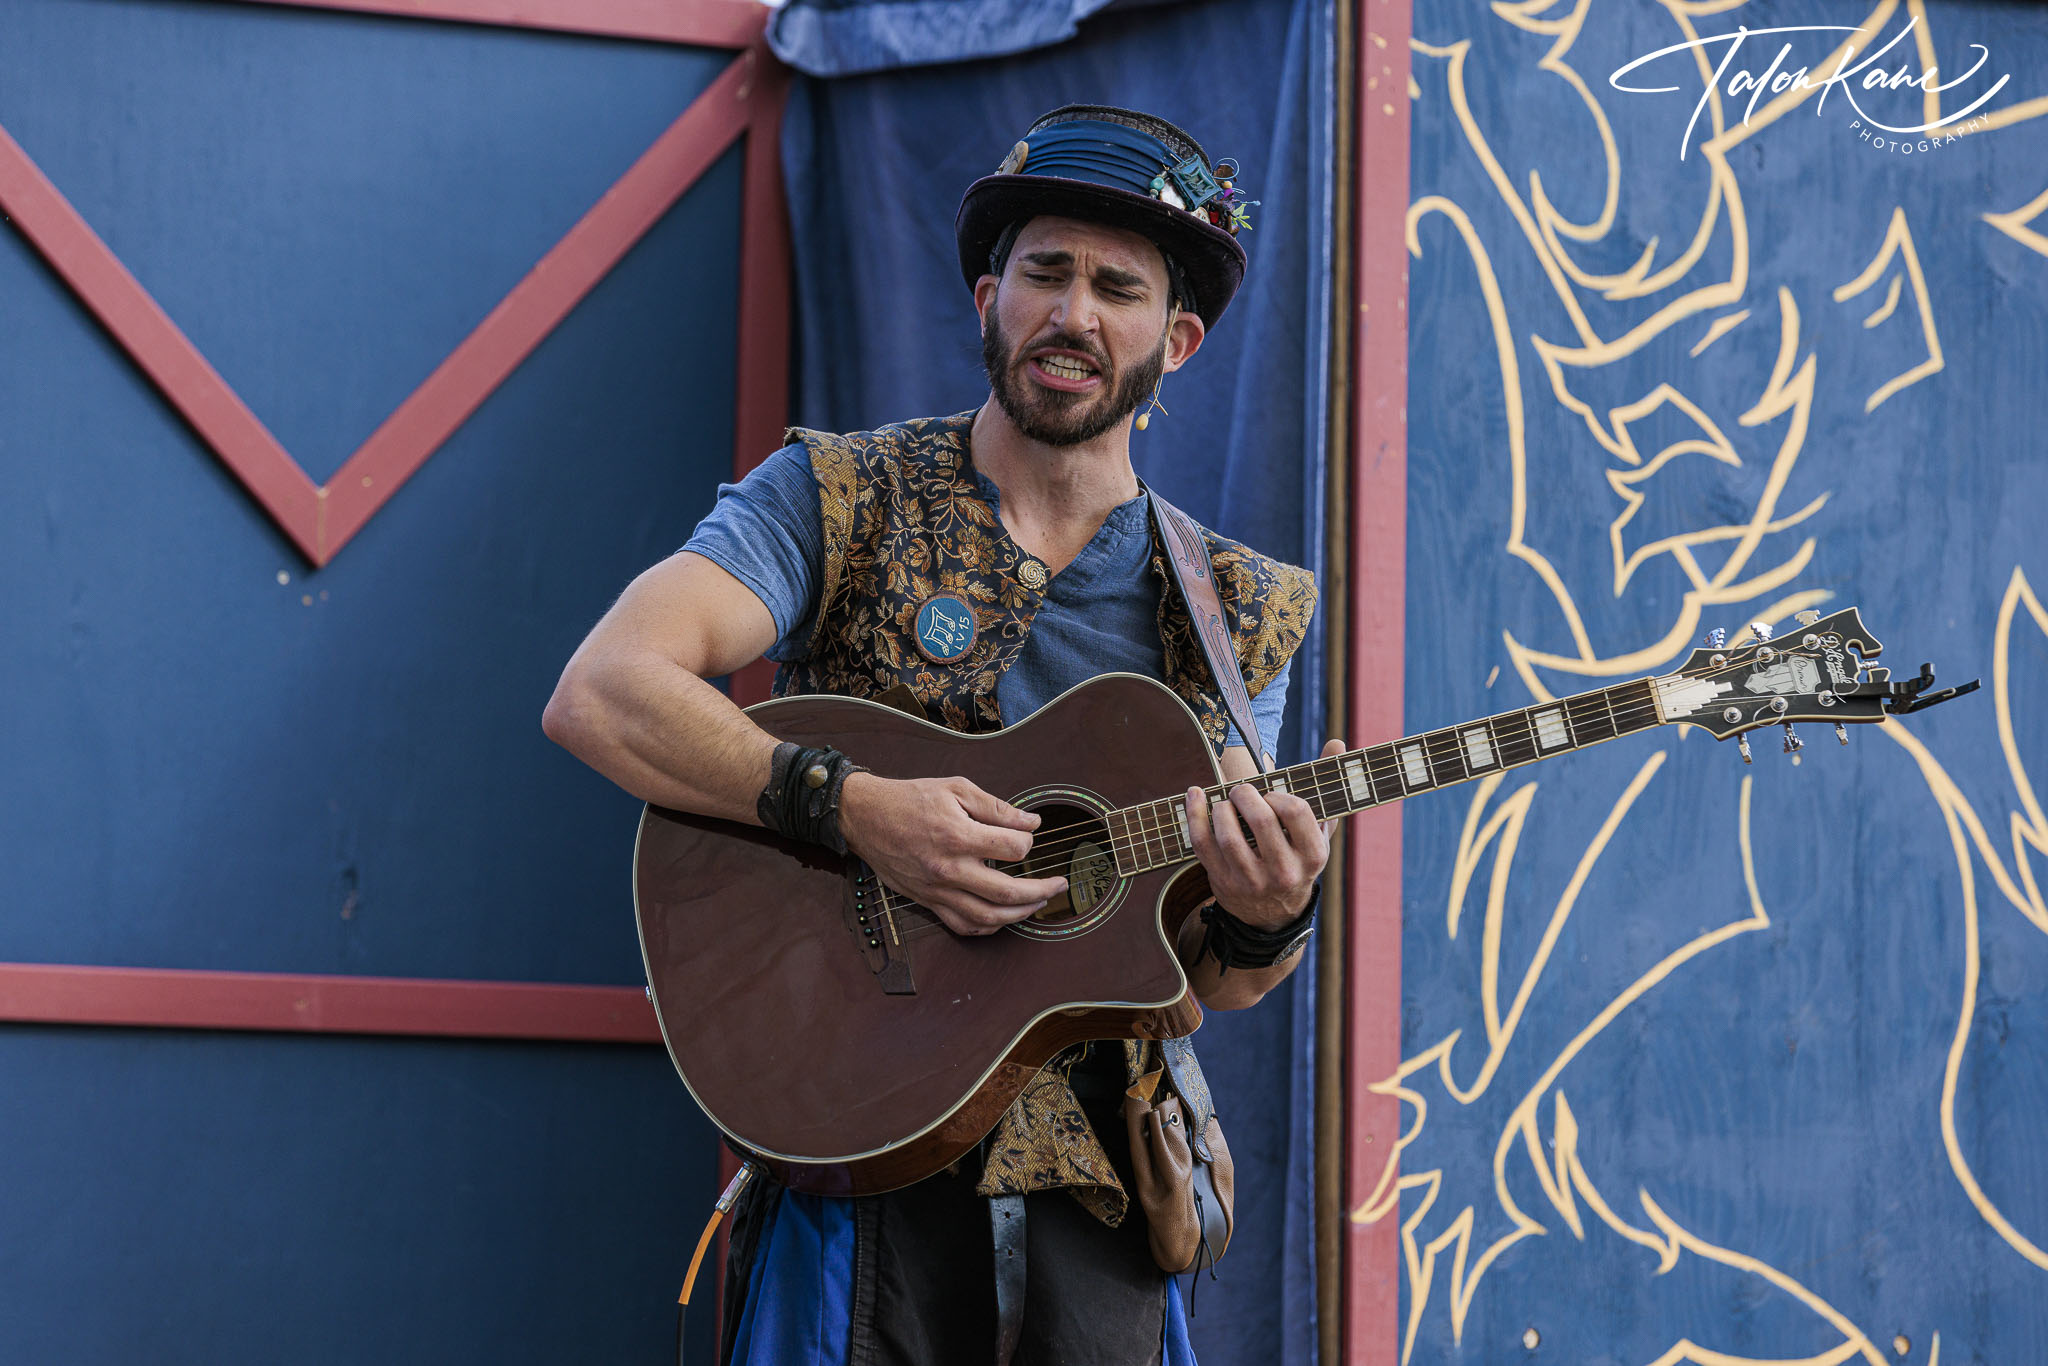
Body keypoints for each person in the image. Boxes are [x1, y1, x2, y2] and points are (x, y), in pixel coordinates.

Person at [544, 103, 1335, 1366]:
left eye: (1117, 289)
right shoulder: (836, 498)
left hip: (1105, 1194)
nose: (1072, 313)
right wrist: (855, 807)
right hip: (856, 1159)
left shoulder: (1237, 608)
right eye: (1044, 272)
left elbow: (1210, 975)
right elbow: (603, 688)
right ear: (986, 298)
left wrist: (1269, 910)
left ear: (1176, 341)